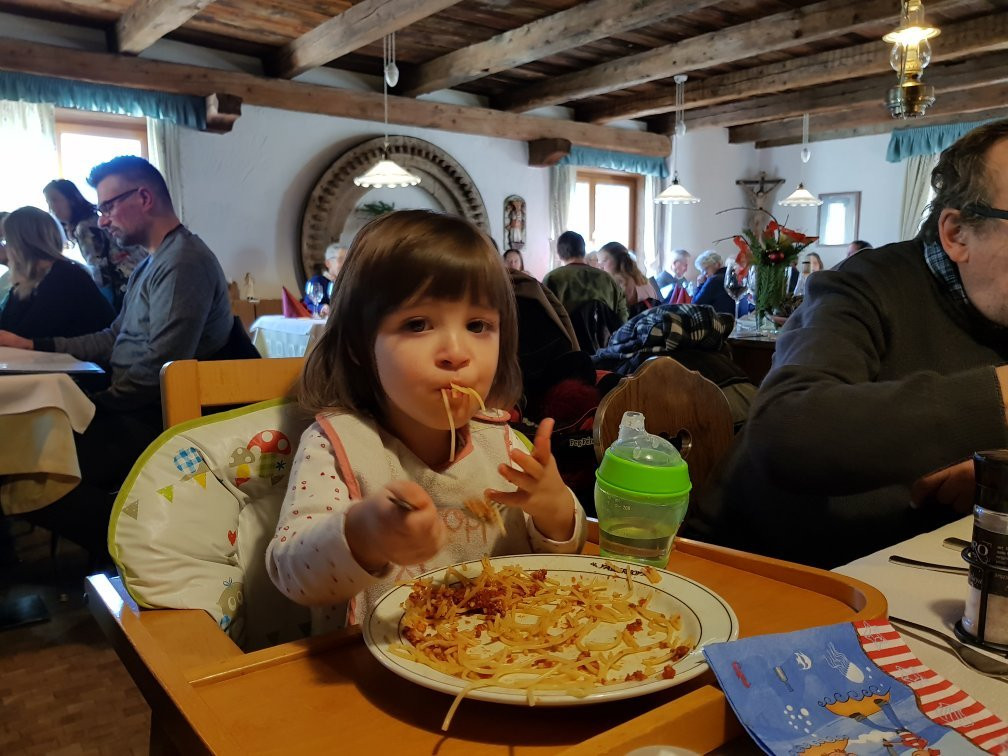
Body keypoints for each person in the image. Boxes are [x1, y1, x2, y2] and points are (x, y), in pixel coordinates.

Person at [692, 119, 1008, 569]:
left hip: (919, 564)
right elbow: (786, 430)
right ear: (957, 234)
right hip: (760, 566)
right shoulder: (863, 287)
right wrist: (998, 399)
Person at [265, 210, 586, 633]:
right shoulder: (339, 444)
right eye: (417, 324)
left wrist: (553, 507)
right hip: (372, 664)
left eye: (478, 325)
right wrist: (364, 534)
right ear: (359, 346)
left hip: (510, 655)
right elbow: (291, 573)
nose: (457, 352)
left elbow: (562, 555)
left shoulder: (502, 442)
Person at [0, 156, 233, 557]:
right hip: (131, 407)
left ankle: (144, 551)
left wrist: (95, 404)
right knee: (25, 449)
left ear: (144, 198)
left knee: (31, 464)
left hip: (155, 417)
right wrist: (33, 345)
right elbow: (112, 337)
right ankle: (133, 546)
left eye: (107, 206)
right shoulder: (152, 262)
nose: (103, 220)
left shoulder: (183, 262)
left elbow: (162, 369)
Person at [0, 206, 114, 339]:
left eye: (5, 241)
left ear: (22, 244)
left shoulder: (66, 277)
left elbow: (25, 336)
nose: (5, 248)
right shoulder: (29, 281)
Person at [43, 178, 147, 311]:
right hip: (135, 277)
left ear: (71, 199)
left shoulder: (84, 227)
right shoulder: (91, 220)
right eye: (48, 202)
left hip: (126, 284)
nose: (51, 208)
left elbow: (99, 269)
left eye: (54, 200)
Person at [543, 231, 628, 323]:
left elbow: (543, 319)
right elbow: (622, 318)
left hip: (565, 332)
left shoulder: (552, 278)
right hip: (607, 332)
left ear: (559, 254)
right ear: (583, 252)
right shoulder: (608, 280)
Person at [597, 241, 657, 315]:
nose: (600, 267)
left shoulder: (622, 283)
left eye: (604, 261)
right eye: (599, 262)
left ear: (617, 260)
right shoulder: (641, 278)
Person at [691, 250, 738, 316]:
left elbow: (695, 306)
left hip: (717, 320)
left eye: (706, 268)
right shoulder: (731, 276)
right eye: (702, 270)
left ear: (717, 264)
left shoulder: (714, 280)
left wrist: (700, 285)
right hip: (731, 318)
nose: (704, 273)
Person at [306, 242, 347, 316]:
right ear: (328, 263)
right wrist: (321, 308)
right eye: (341, 259)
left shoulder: (348, 283)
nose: (346, 264)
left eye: (347, 260)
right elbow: (307, 305)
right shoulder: (317, 281)